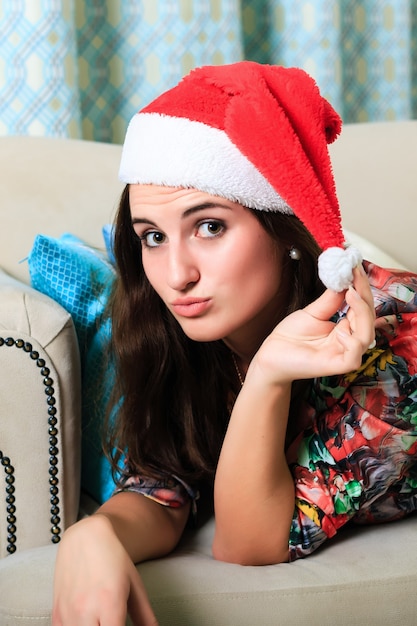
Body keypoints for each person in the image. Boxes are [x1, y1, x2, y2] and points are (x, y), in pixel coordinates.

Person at [52, 61, 417, 625]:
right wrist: (93, 535)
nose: (177, 274)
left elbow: (248, 545)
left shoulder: (395, 343)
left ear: (284, 230)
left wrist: (269, 373)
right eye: (152, 236)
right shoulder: (184, 333)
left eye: (210, 227)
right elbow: (166, 484)